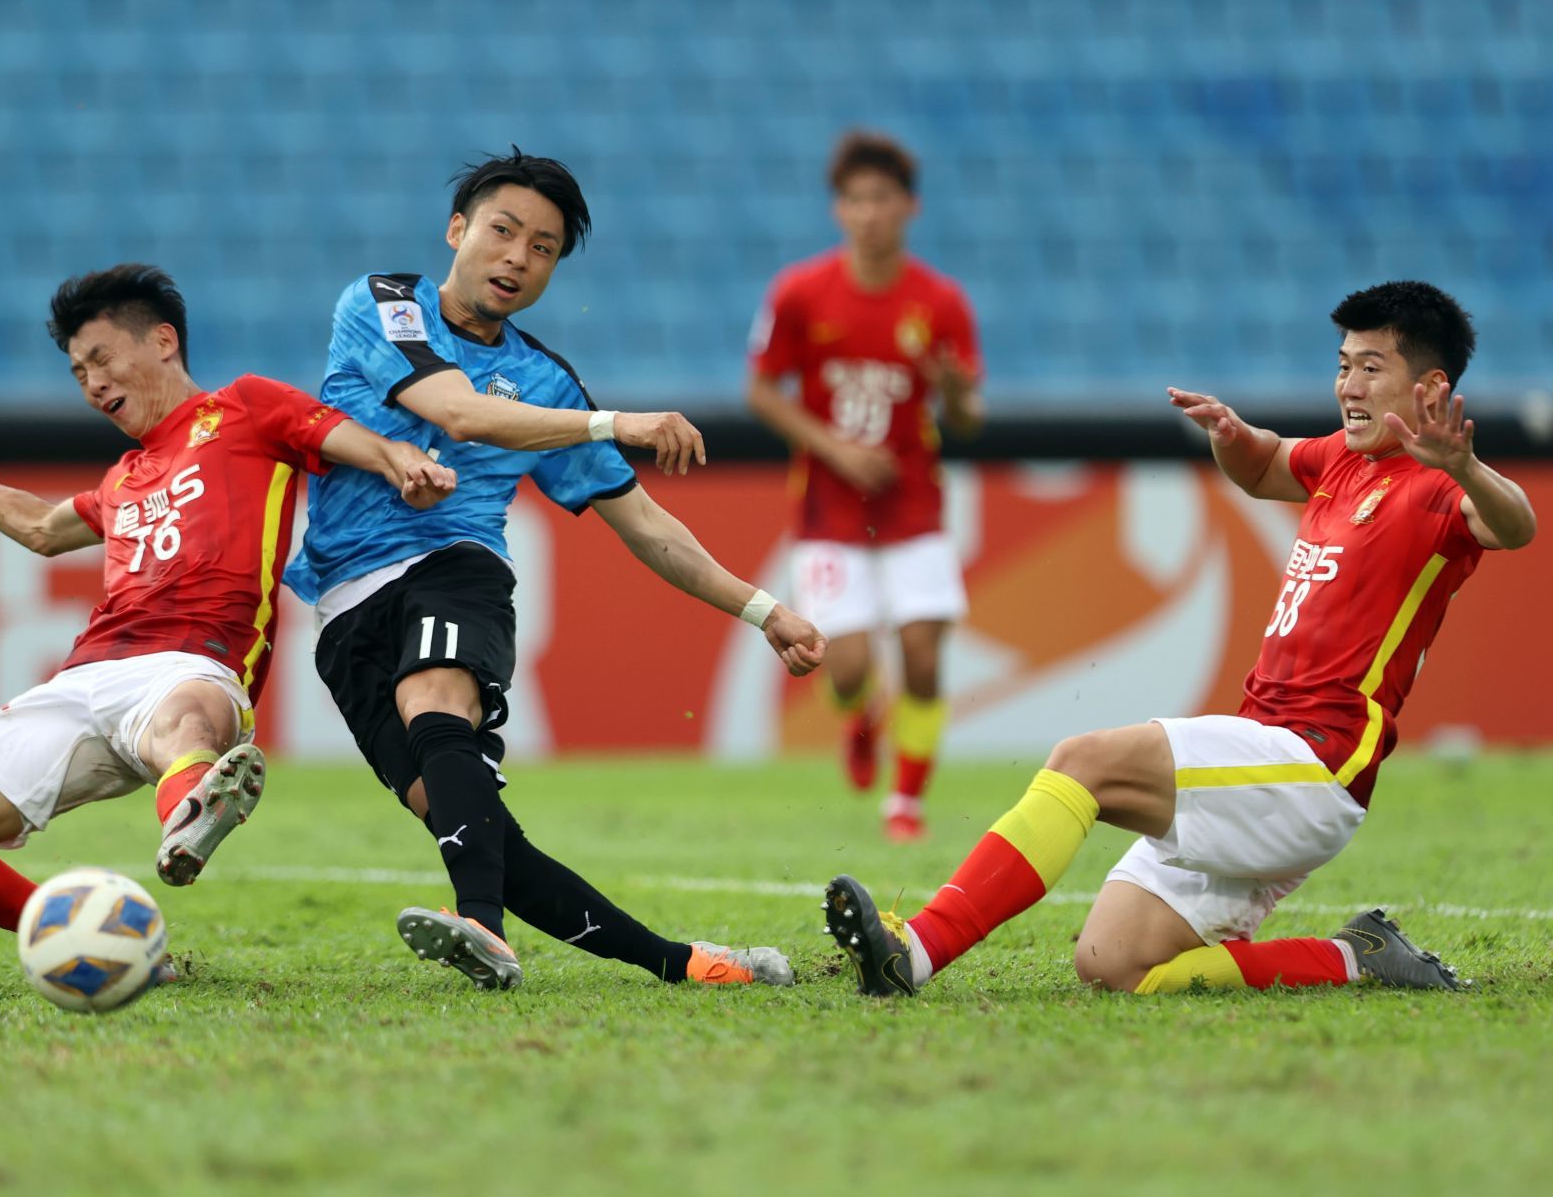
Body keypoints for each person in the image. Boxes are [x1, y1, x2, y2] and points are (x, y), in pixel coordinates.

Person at [825, 281, 1535, 996]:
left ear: (1430, 386)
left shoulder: (1439, 487)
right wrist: (1229, 435)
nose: (1348, 384)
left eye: (1371, 367)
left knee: (1085, 761)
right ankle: (1360, 956)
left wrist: (1466, 465)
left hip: (1316, 765)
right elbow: (1261, 466)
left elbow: (1515, 525)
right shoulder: (1344, 460)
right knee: (1116, 965)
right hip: (1265, 755)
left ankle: (912, 953)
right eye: (1343, 364)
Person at [287, 148, 828, 993]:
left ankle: (480, 930)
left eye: (543, 248)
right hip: (346, 603)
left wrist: (765, 611)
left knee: (435, 695)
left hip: (455, 566)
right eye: (503, 232)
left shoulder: (547, 382)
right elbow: (460, 412)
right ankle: (686, 964)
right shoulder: (384, 303)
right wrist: (613, 423)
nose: (517, 258)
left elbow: (646, 526)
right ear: (457, 230)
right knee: (483, 830)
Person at [0, 265, 454, 939]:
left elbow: (352, 441)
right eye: (79, 373)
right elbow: (39, 528)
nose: (92, 384)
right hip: (83, 679)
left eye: (101, 358)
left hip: (194, 663)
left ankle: (194, 806)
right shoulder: (123, 478)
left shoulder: (247, 407)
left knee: (185, 724)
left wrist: (401, 462)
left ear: (163, 340)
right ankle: (80, 928)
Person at [746, 129, 984, 842]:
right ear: (837, 211)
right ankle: (861, 715)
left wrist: (956, 396)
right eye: (854, 200)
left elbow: (969, 420)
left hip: (914, 506)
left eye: (881, 199)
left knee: (921, 651)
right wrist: (835, 450)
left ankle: (905, 800)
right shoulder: (799, 291)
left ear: (908, 207)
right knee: (845, 667)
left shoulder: (940, 302)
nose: (868, 213)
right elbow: (762, 391)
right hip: (830, 509)